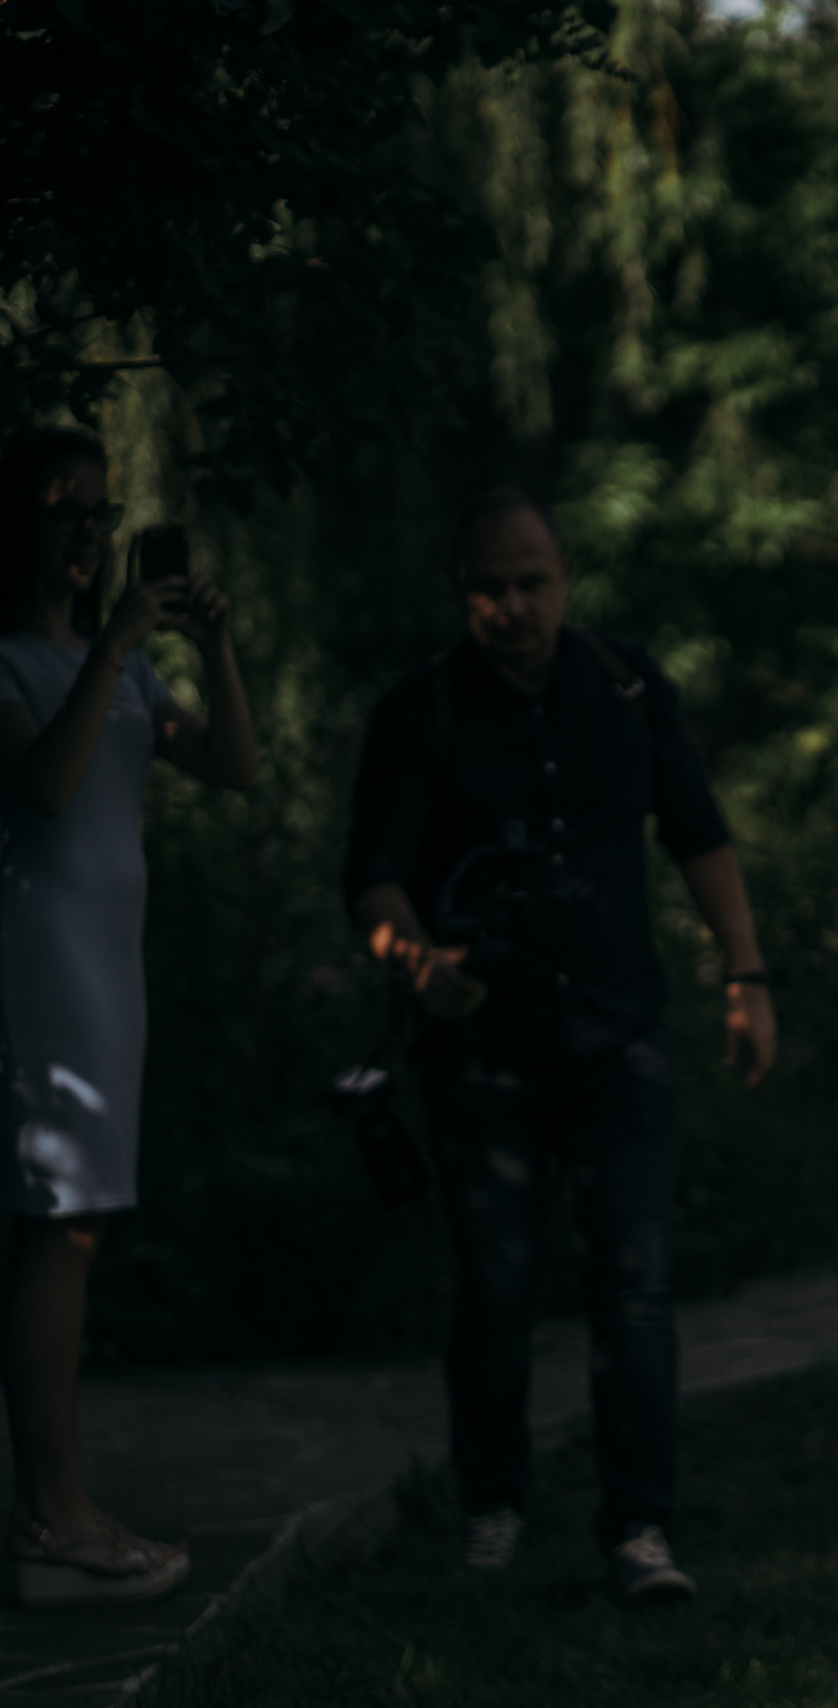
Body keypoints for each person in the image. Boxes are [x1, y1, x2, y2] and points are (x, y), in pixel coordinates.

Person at [342, 490, 775, 1599]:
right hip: (482, 1047)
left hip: (618, 1031)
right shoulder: (422, 709)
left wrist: (746, 977)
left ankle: (639, 1531)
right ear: (462, 591)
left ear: (565, 578)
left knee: (633, 1289)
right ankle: (492, 1509)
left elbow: (698, 835)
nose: (513, 605)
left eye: (532, 582)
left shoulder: (625, 688)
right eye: (491, 585)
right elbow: (373, 872)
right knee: (494, 1290)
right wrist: (415, 958)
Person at [0, 427, 257, 1604]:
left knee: (77, 1221)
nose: (88, 536)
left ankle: (58, 1502)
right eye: (64, 513)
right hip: (40, 967)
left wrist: (212, 647)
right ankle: (53, 1510)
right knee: (65, 1218)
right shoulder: (12, 663)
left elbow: (236, 768)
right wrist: (110, 643)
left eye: (99, 514)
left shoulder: (133, 673)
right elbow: (45, 788)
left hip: (109, 968)